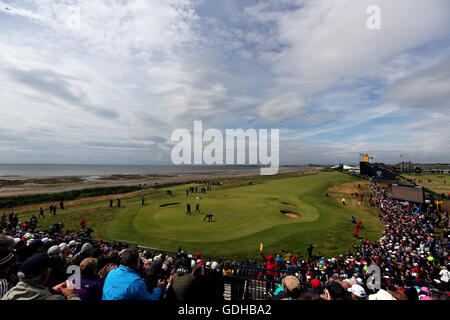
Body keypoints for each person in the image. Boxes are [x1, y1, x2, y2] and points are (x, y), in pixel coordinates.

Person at [2, 253, 80, 300]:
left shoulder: (9, 293)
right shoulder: (54, 299)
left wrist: (51, 290)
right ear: (45, 275)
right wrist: (72, 296)